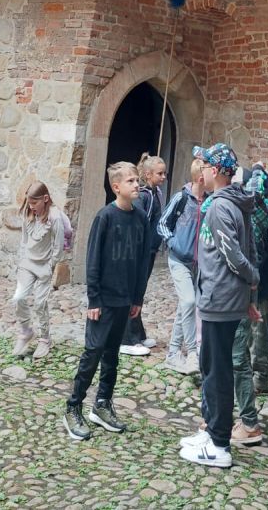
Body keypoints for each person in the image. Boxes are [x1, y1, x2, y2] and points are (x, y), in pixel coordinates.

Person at [179, 144, 259, 469]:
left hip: (220, 299)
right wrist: (249, 296)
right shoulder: (233, 202)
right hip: (224, 297)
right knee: (213, 366)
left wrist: (252, 280)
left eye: (204, 166)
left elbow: (235, 255)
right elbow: (248, 247)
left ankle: (219, 444)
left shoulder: (219, 207)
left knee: (217, 372)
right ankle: (212, 431)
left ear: (214, 171)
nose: (202, 171)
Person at [63, 162, 150, 442]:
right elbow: (93, 260)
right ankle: (73, 406)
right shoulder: (105, 217)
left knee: (112, 355)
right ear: (116, 187)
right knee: (93, 353)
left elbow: (142, 261)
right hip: (104, 300)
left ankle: (102, 404)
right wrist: (94, 299)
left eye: (137, 180)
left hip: (125, 300)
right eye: (131, 181)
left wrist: (137, 297)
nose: (137, 185)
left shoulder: (141, 218)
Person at [231, 165, 268, 447]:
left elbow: (247, 252)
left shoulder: (252, 212)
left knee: (250, 332)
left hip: (254, 280)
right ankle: (263, 374)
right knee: (262, 326)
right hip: (265, 277)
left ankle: (257, 378)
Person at [158, 156, 203, 374]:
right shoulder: (181, 198)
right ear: (201, 178)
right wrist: (173, 243)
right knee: (189, 302)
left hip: (197, 264)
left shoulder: (209, 201)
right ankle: (192, 353)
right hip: (178, 260)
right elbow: (162, 223)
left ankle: (173, 353)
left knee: (184, 307)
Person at [12, 181, 66, 359]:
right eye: (29, 202)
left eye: (35, 202)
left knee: (40, 303)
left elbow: (58, 246)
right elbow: (24, 239)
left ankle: (45, 338)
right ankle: (26, 331)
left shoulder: (54, 218)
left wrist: (51, 265)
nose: (31, 206)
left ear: (45, 198)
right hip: (27, 263)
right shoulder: (28, 213)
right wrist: (22, 259)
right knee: (19, 297)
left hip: (44, 266)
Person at [120, 153, 166, 356]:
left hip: (150, 251)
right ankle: (126, 338)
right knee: (132, 292)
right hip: (140, 252)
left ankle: (138, 333)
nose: (163, 177)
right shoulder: (144, 196)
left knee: (139, 293)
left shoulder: (156, 193)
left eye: (164, 173)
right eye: (159, 173)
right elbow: (139, 224)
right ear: (148, 175)